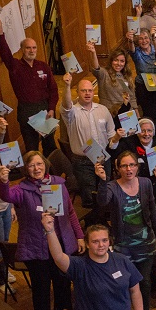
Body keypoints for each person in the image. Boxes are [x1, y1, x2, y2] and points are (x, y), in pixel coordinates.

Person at [0, 152, 83, 310]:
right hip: (35, 247)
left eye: (39, 164)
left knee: (63, 283)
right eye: (31, 165)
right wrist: (4, 181)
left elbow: (70, 212)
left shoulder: (58, 184)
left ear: (45, 165)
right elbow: (6, 196)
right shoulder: (21, 189)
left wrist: (80, 236)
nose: (36, 168)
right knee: (41, 288)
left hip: (60, 243)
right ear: (26, 169)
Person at [96, 152, 156, 310]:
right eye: (124, 166)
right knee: (124, 284)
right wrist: (102, 181)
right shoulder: (112, 186)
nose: (129, 169)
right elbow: (103, 202)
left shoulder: (144, 183)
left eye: (132, 165)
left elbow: (152, 210)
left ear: (137, 166)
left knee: (144, 282)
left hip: (145, 243)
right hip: (122, 245)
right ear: (118, 168)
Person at [0, 15, 58, 155]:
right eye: (28, 48)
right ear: (22, 49)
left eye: (34, 48)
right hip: (26, 111)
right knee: (31, 148)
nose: (32, 50)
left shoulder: (43, 66)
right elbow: (5, 53)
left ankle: (53, 175)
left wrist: (52, 108)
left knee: (50, 145)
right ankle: (35, 175)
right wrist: (0, 29)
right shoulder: (15, 66)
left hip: (45, 109)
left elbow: (53, 90)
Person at [60, 72, 122, 208]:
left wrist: (116, 137)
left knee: (104, 192)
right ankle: (91, 225)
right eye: (83, 91)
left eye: (90, 90)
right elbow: (66, 105)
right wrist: (67, 85)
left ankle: (103, 224)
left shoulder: (103, 110)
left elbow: (111, 137)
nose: (87, 93)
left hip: (103, 157)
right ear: (77, 92)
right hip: (82, 161)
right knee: (89, 196)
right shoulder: (72, 113)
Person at [126, 26, 156, 134]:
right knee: (151, 113)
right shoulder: (137, 53)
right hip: (144, 88)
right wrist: (130, 40)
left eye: (146, 38)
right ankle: (154, 135)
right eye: (140, 39)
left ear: (150, 39)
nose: (144, 41)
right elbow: (131, 48)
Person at [0, 117, 15, 292]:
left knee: (4, 243)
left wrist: (11, 204)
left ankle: (4, 270)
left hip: (4, 204)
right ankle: (0, 280)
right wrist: (1, 131)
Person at [87, 42, 138, 119]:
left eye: (122, 61)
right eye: (116, 60)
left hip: (125, 114)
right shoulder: (104, 74)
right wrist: (93, 52)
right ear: (111, 61)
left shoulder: (127, 76)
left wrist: (137, 115)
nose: (119, 63)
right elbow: (96, 68)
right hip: (109, 114)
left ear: (125, 63)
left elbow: (132, 97)